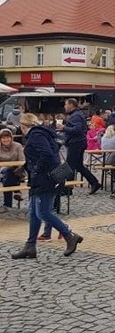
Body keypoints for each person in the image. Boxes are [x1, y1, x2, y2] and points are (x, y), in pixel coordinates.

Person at [11, 113, 84, 260]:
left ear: (24, 126)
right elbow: (44, 153)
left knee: (43, 212)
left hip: (44, 179)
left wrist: (37, 169)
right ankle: (30, 245)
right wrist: (26, 167)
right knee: (33, 212)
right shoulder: (44, 132)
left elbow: (47, 154)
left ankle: (69, 235)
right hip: (42, 178)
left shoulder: (36, 135)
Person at [57, 99, 102, 194]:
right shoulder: (77, 114)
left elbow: (77, 129)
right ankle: (94, 182)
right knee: (78, 165)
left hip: (75, 143)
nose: (64, 107)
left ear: (71, 105)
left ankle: (67, 189)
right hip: (79, 142)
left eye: (66, 105)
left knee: (69, 165)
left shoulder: (76, 116)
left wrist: (63, 128)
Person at [0, 127, 25, 213]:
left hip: (17, 171)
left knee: (8, 176)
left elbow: (22, 160)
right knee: (7, 172)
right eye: (3, 138)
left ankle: (7, 205)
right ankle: (17, 191)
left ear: (11, 137)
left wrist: (14, 167)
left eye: (7, 137)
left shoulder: (17, 146)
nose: (6, 139)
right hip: (2, 171)